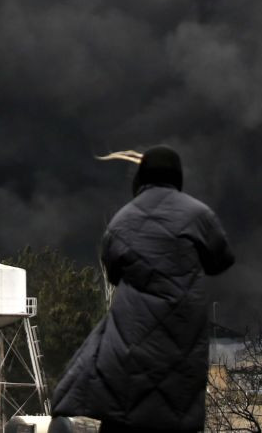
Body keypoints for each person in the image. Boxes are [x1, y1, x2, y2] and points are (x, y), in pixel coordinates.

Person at [50, 145, 235, 433]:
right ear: (178, 177)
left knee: (122, 406)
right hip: (182, 341)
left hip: (130, 340)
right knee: (174, 411)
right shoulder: (200, 214)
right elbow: (221, 260)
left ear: (140, 177)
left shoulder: (122, 219)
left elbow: (112, 273)